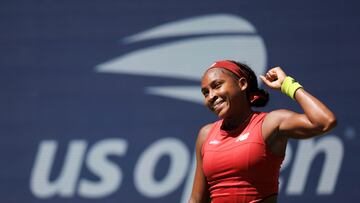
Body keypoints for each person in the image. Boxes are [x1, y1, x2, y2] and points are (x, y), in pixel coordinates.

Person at [188, 60, 337, 203]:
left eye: (217, 85)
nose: (211, 96)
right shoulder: (205, 134)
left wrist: (288, 85)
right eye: (205, 92)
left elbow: (325, 121)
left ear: (242, 84)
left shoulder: (270, 123)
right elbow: (196, 200)